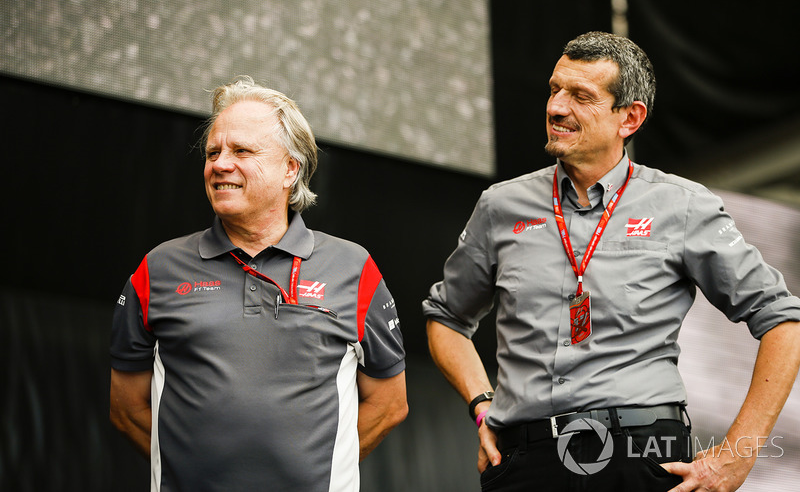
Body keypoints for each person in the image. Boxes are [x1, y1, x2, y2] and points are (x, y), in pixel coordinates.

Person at [422, 31, 800, 492]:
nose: (557, 107)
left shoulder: (680, 205)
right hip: (525, 460)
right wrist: (482, 405)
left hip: (642, 456)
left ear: (630, 118)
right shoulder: (501, 206)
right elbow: (446, 318)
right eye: (555, 89)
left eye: (581, 96)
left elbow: (784, 322)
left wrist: (737, 456)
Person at [110, 76, 408, 492]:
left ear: (290, 168)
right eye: (213, 152)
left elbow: (390, 404)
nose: (219, 164)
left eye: (241, 151)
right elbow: (126, 409)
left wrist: (320, 471)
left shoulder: (353, 268)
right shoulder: (157, 269)